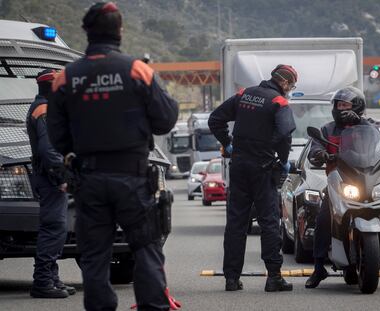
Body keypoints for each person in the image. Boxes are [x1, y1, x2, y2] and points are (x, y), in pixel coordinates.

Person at [47, 2, 179, 310]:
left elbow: (57, 136)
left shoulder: (65, 78)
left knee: (94, 255)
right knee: (146, 246)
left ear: (86, 31)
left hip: (89, 180)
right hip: (132, 177)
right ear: (120, 31)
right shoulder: (137, 70)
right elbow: (166, 119)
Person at [305, 86, 380, 289]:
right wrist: (319, 155)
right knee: (323, 219)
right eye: (338, 105)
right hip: (340, 181)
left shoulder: (369, 126)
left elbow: (376, 145)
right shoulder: (327, 129)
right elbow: (315, 148)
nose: (341, 108)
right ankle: (319, 268)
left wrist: (359, 121)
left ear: (358, 106)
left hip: (369, 180)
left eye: (345, 104)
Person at [208, 64, 297, 292]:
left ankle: (231, 278)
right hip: (263, 168)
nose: (289, 89)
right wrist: (283, 160)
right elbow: (285, 133)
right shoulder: (279, 102)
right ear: (285, 83)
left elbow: (215, 119)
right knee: (269, 221)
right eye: (291, 85)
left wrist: (227, 143)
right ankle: (274, 277)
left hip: (238, 166)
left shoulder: (243, 95)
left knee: (236, 222)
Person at [26, 69, 76, 298]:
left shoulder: (43, 106)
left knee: (56, 228)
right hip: (50, 179)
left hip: (46, 177)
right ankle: (43, 282)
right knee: (53, 229)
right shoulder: (45, 110)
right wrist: (61, 178)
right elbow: (49, 150)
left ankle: (52, 279)